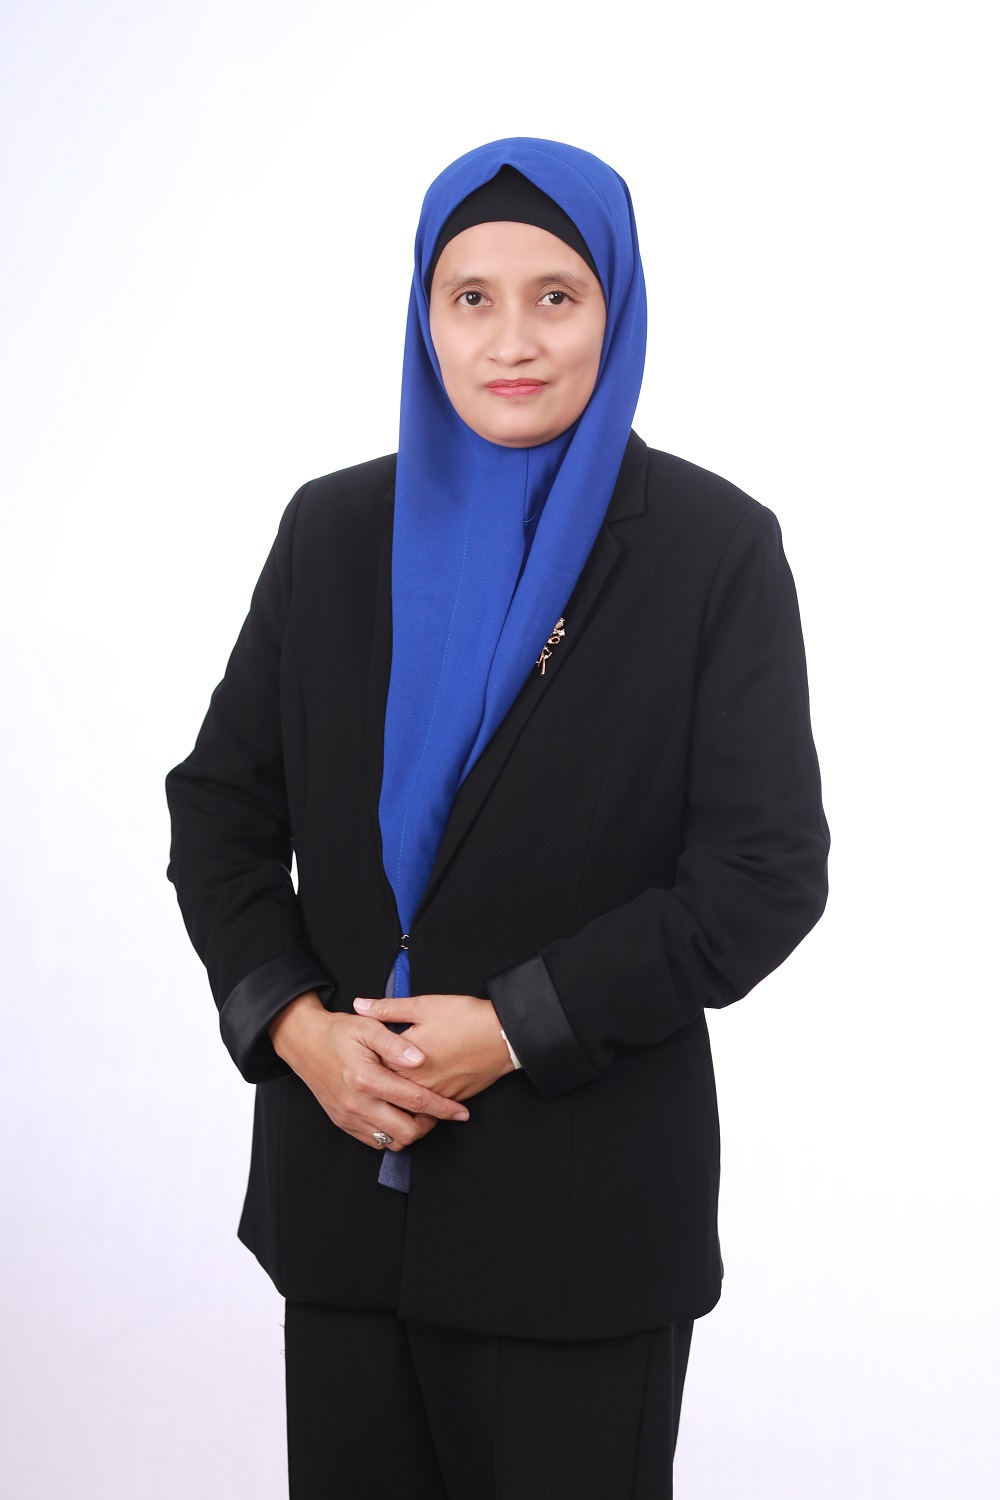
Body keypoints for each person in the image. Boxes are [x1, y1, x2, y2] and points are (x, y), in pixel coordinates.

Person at [165, 137, 829, 1499]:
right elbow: (220, 807)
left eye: (555, 296)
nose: (510, 340)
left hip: (577, 1229)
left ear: (615, 309)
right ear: (425, 314)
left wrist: (517, 1026)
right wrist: (296, 1029)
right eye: (470, 297)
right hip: (343, 1205)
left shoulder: (713, 548)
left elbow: (763, 874)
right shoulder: (332, 532)